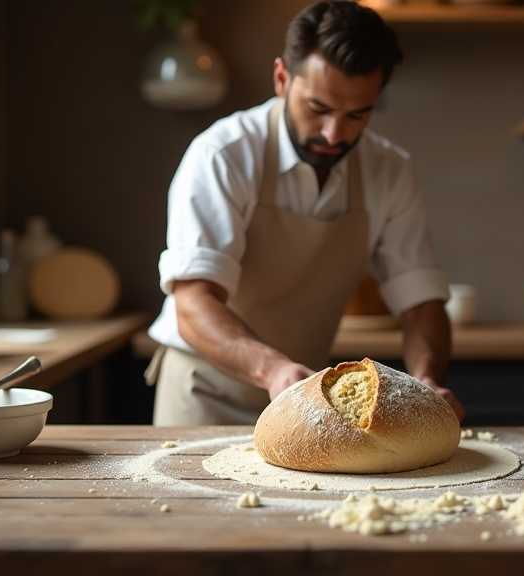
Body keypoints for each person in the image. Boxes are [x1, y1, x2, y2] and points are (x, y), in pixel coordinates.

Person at [146, 0, 464, 425]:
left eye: (357, 114)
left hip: (309, 402)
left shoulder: (389, 172)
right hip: (205, 392)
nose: (334, 134)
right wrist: (273, 370)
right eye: (318, 109)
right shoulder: (223, 156)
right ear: (282, 78)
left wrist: (426, 382)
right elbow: (193, 302)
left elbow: (421, 302)